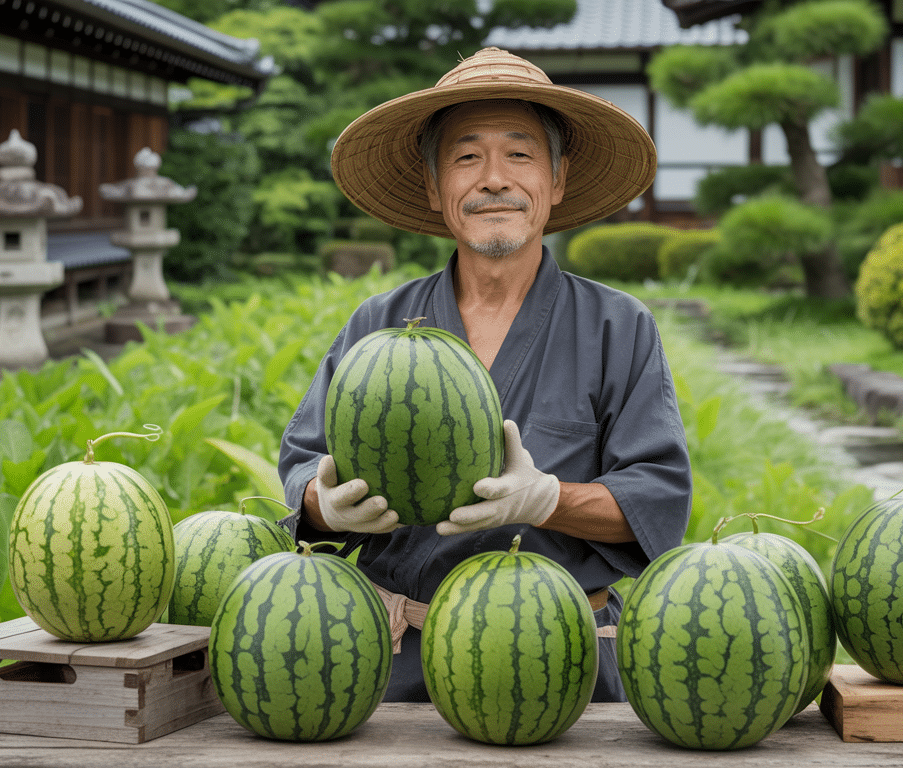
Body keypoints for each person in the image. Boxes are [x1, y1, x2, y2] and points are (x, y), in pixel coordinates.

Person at [278, 47, 692, 702]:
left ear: (556, 181)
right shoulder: (375, 325)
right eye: (466, 157)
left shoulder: (618, 326)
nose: (493, 178)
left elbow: (658, 498)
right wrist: (323, 506)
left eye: (519, 154)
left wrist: (549, 498)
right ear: (433, 186)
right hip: (395, 671)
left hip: (567, 672)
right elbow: (302, 469)